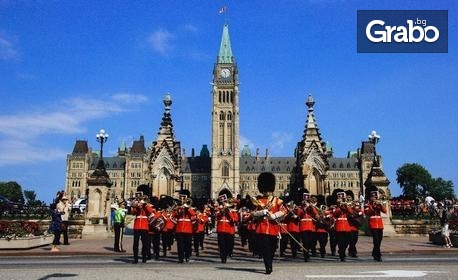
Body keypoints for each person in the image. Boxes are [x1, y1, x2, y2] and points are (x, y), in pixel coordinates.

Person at [250, 172, 286, 274]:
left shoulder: (277, 200)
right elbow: (252, 213)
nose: (266, 192)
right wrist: (261, 212)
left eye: (268, 190)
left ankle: (269, 261)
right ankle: (268, 266)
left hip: (273, 228)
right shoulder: (258, 201)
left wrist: (274, 216)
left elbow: (283, 211)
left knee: (273, 247)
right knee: (265, 248)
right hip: (262, 227)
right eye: (265, 190)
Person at [364, 190, 387, 261]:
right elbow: (367, 212)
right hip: (373, 224)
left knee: (379, 240)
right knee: (376, 240)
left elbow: (385, 211)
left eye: (375, 197)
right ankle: (378, 255)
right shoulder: (367, 204)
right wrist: (373, 206)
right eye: (373, 197)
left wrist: (379, 204)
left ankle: (374, 252)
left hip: (379, 224)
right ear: (370, 197)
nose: (374, 198)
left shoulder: (379, 204)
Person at [131, 196, 154, 264]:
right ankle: (135, 259)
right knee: (135, 243)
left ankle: (144, 258)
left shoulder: (147, 205)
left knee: (145, 243)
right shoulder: (137, 205)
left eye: (142, 200)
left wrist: (144, 205)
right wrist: (136, 206)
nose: (140, 201)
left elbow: (149, 212)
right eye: (140, 200)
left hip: (144, 226)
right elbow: (133, 213)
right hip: (137, 226)